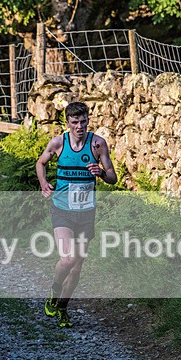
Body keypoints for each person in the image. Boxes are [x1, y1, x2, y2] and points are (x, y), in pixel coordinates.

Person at [36, 101, 117, 328]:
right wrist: (43, 184)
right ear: (67, 123)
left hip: (86, 213)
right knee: (68, 258)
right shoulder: (58, 143)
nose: (79, 126)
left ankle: (62, 308)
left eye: (83, 121)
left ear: (88, 120)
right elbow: (41, 163)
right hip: (62, 210)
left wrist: (101, 173)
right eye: (75, 122)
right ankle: (54, 291)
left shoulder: (98, 144)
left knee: (77, 267)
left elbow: (113, 177)